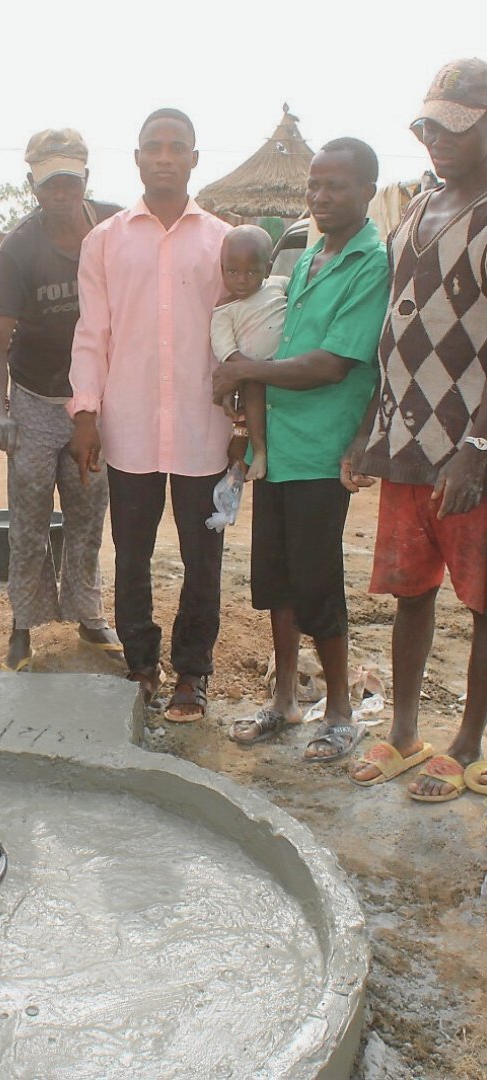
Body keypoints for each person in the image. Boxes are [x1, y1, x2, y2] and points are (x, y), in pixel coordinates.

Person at [216, 138, 389, 760]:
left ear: (368, 190)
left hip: (321, 448)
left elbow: (333, 364)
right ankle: (285, 698)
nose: (320, 195)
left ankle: (340, 710)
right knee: (277, 579)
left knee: (317, 581)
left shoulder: (371, 264)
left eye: (335, 185)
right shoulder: (311, 255)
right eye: (315, 184)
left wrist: (247, 371)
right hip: (279, 449)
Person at [345, 59, 487, 801]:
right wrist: (367, 431)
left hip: (470, 450)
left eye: (457, 128)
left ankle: (468, 743)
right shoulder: (416, 210)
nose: (438, 140)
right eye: (430, 126)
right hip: (406, 443)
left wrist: (478, 449)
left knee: (483, 601)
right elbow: (392, 334)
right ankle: (403, 732)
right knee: (410, 591)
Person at [69, 108, 231, 721]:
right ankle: (140, 665)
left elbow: (238, 334)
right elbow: (92, 333)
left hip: (202, 427)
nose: (165, 156)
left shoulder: (222, 242)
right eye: (153, 147)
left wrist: (243, 424)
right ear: (137, 158)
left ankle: (192, 671)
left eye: (176, 146)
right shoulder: (105, 241)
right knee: (131, 553)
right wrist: (86, 412)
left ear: (194, 158)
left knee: (202, 557)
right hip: (130, 424)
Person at [0, 129, 121, 671]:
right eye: (49, 184)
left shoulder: (113, 227)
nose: (60, 192)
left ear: (86, 179)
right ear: (32, 185)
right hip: (38, 399)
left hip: (99, 400)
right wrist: (0, 410)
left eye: (69, 181)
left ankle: (88, 616)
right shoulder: (19, 248)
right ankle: (23, 624)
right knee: (29, 515)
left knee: (88, 509)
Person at [210, 224, 288, 480]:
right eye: (232, 271)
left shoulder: (278, 285)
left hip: (287, 366)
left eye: (252, 272)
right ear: (222, 269)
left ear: (268, 269)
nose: (241, 280)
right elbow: (224, 348)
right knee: (253, 397)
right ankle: (260, 452)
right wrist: (252, 369)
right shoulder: (224, 309)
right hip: (252, 371)